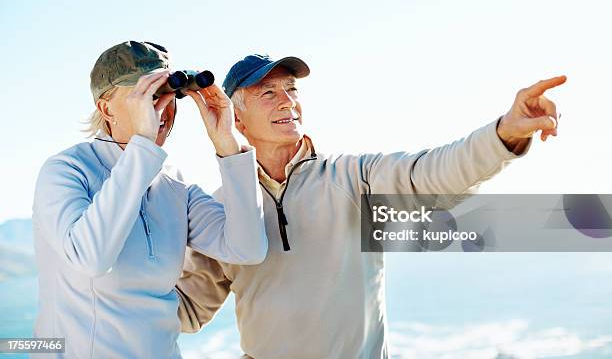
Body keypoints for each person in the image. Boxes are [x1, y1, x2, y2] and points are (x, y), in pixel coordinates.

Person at [176, 53, 565, 358]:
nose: (288, 102)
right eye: (268, 93)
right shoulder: (224, 208)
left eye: (292, 90)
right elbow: (187, 310)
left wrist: (504, 133)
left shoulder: (353, 177)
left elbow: (435, 173)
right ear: (237, 119)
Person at [31, 41, 268, 358]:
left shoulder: (172, 184)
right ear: (106, 109)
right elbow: (91, 258)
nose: (160, 109)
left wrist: (227, 144)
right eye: (146, 96)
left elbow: (247, 248)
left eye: (168, 95)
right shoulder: (65, 171)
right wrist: (142, 146)